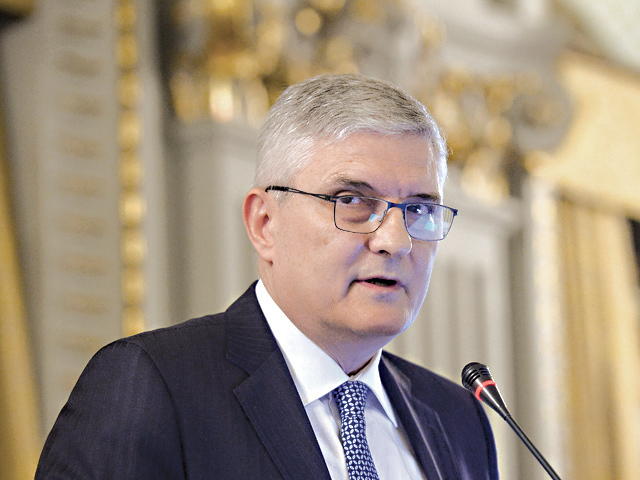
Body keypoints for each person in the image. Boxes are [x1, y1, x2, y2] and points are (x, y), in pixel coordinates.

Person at [35, 74, 499, 479]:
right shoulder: (154, 386)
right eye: (352, 201)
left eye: (419, 209)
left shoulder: (458, 419)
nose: (395, 241)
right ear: (264, 224)